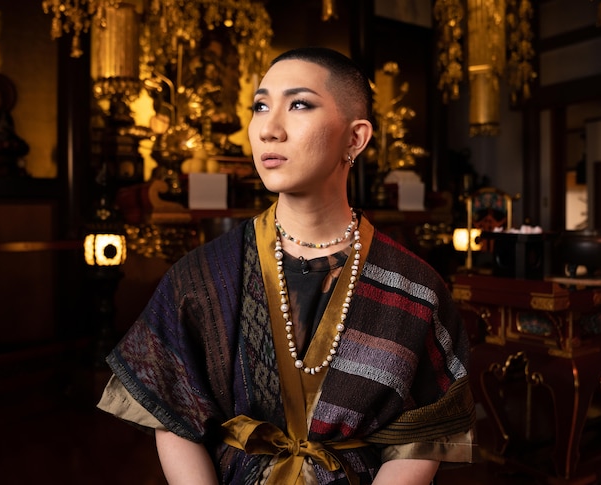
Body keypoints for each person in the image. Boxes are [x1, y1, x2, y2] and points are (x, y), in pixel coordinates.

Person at [98, 46, 475, 484]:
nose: (268, 130)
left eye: (299, 104)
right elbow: (173, 410)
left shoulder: (414, 286)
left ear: (355, 139)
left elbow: (423, 434)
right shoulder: (205, 274)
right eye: (260, 106)